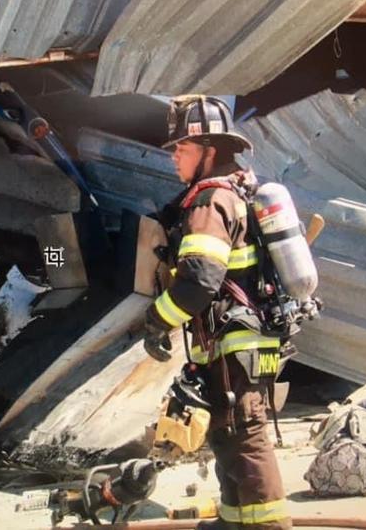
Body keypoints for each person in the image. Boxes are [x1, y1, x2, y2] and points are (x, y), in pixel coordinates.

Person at [143, 96, 292, 530]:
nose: (174, 157)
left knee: (245, 433)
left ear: (209, 151)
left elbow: (199, 281)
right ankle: (234, 520)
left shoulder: (211, 201)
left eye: (182, 148)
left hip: (234, 341)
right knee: (227, 431)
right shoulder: (235, 190)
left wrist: (157, 321)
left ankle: (268, 525)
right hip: (238, 339)